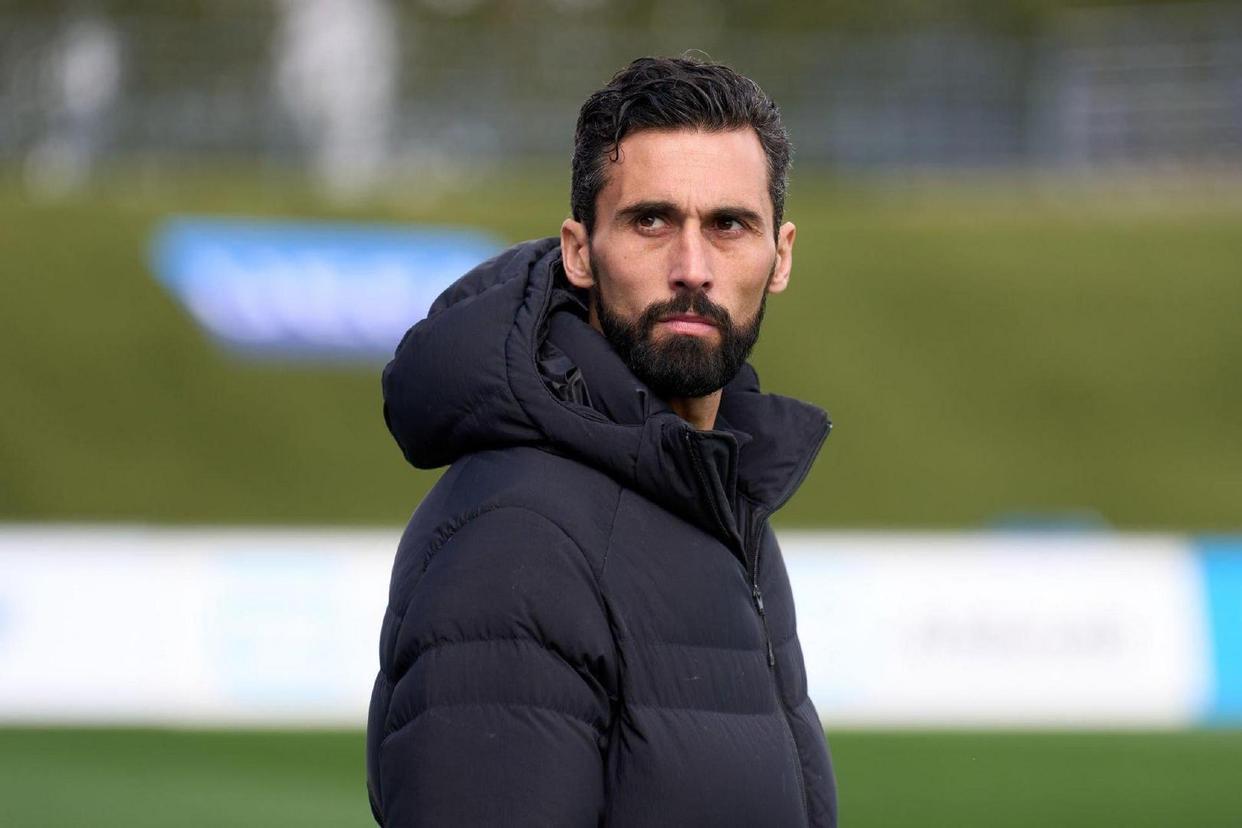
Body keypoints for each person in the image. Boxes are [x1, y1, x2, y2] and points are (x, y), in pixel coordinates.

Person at [367, 55, 837, 827]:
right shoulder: (515, 545)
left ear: (779, 256)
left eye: (729, 225)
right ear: (579, 251)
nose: (692, 269)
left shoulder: (721, 502)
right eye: (651, 221)